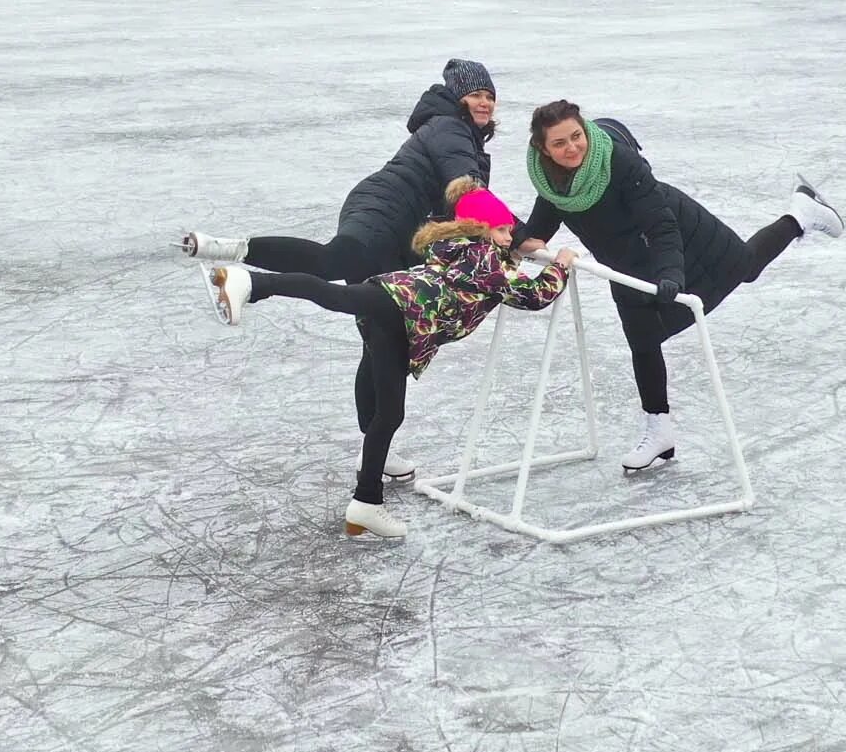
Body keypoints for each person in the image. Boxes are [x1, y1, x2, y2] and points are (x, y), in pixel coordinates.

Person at [182, 60, 503, 478]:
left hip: (406, 233)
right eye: (475, 94)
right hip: (382, 209)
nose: (483, 102)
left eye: (489, 96)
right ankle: (242, 270)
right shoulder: (450, 129)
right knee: (336, 260)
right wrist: (515, 231)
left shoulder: (466, 137)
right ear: (457, 97)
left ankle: (375, 449)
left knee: (384, 336)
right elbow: (467, 189)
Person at [204, 180, 576, 540]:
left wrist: (510, 253)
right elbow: (534, 295)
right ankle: (250, 283)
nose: (510, 237)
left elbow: (492, 275)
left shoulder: (456, 249)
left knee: (386, 408)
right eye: (503, 231)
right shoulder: (486, 262)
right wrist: (559, 263)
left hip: (395, 316)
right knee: (331, 298)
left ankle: (365, 501)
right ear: (481, 230)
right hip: (399, 311)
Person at [518, 103, 843, 474]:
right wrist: (505, 238)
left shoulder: (618, 162)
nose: (573, 147)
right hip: (625, 259)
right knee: (642, 340)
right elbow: (538, 231)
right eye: (560, 143)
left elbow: (661, 225)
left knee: (746, 268)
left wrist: (670, 273)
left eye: (577, 136)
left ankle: (801, 214)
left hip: (678, 233)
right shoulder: (552, 184)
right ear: (544, 150)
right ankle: (659, 431)